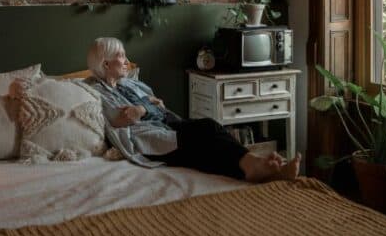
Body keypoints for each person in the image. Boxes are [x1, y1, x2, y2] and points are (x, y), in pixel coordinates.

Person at [85, 37, 300, 183]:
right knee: (205, 134)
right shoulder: (97, 91)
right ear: (105, 65)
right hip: (147, 137)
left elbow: (158, 105)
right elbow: (124, 118)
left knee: (207, 137)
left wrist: (142, 108)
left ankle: (257, 168)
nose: (127, 61)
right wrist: (146, 107)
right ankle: (257, 166)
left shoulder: (129, 83)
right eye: (121, 56)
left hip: (167, 122)